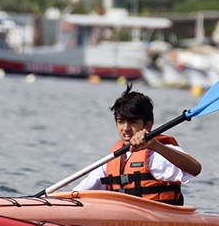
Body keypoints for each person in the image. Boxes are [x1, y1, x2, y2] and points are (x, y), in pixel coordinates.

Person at [73, 84, 201, 205]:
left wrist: (155, 146)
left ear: (148, 125)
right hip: (122, 219)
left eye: (133, 122)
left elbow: (195, 168)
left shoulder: (157, 154)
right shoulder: (111, 161)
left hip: (159, 222)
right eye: (121, 121)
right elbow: (78, 193)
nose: (126, 128)